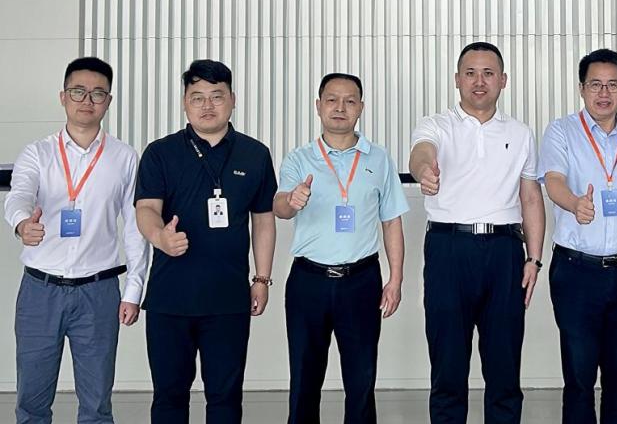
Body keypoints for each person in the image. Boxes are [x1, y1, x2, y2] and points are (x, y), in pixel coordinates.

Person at [3, 56, 149, 424]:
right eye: (78, 91)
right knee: (32, 403)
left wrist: (133, 290)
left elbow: (135, 227)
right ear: (63, 97)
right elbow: (19, 195)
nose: (87, 100)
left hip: (98, 293)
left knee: (97, 405)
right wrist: (22, 223)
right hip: (40, 292)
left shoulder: (124, 157)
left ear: (108, 101)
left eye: (98, 93)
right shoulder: (37, 153)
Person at [408, 42, 546, 424]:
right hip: (448, 249)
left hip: (505, 251)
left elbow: (530, 197)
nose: (479, 81)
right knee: (448, 366)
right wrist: (424, 171)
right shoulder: (436, 124)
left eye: (488, 73)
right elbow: (421, 153)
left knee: (504, 367)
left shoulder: (520, 133)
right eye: (470, 73)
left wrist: (534, 258)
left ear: (503, 80)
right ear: (457, 80)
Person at [134, 59, 277, 424]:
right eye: (197, 97)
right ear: (185, 102)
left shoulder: (255, 154)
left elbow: (263, 220)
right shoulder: (160, 153)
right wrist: (160, 237)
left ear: (233, 99)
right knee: (169, 396)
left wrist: (262, 278)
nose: (207, 105)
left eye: (217, 95)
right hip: (170, 298)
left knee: (225, 398)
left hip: (228, 299)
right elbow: (146, 208)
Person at [275, 72, 409, 424]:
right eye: (332, 100)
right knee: (304, 379)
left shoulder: (378, 159)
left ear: (360, 108)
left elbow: (391, 221)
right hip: (309, 281)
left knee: (361, 379)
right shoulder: (299, 158)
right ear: (318, 106)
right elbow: (279, 207)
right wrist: (292, 200)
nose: (340, 107)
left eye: (350, 101)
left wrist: (395, 279)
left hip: (361, 280)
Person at [539, 48, 617, 424]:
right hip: (577, 271)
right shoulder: (561, 131)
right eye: (595, 84)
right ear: (581, 88)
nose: (604, 93)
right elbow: (553, 181)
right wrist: (575, 203)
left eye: (612, 84)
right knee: (579, 378)